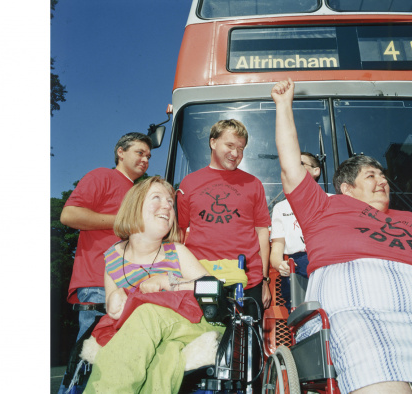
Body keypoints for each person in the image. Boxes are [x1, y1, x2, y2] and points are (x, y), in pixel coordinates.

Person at [272, 78, 412, 394]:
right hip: (360, 321)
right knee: (367, 346)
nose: (382, 181)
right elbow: (292, 167)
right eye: (371, 176)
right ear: (346, 189)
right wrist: (283, 106)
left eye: (383, 175)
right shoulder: (324, 209)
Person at [84, 176, 224, 394]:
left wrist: (169, 282)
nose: (167, 205)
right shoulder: (112, 257)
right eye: (157, 198)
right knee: (163, 357)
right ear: (133, 207)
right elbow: (113, 302)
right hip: (147, 334)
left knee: (148, 313)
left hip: (192, 322)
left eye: (170, 201)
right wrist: (114, 299)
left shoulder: (176, 252)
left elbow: (213, 288)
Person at [60, 132, 152, 341]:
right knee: (94, 358)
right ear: (121, 152)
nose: (145, 160)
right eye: (140, 153)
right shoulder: (102, 176)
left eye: (148, 156)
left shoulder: (139, 193)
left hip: (132, 285)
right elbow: (69, 215)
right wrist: (125, 222)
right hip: (99, 283)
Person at [176, 119, 272, 317]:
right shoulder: (189, 183)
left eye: (241, 148)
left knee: (248, 345)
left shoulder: (253, 184)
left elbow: (262, 231)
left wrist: (264, 280)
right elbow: (177, 232)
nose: (236, 154)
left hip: (247, 280)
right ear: (213, 142)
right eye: (229, 145)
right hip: (201, 277)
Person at [270, 151, 330, 313]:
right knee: (302, 316)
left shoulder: (333, 200)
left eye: (301, 164)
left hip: (330, 263)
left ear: (316, 171)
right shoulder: (280, 208)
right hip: (298, 266)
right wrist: (279, 264)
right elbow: (277, 247)